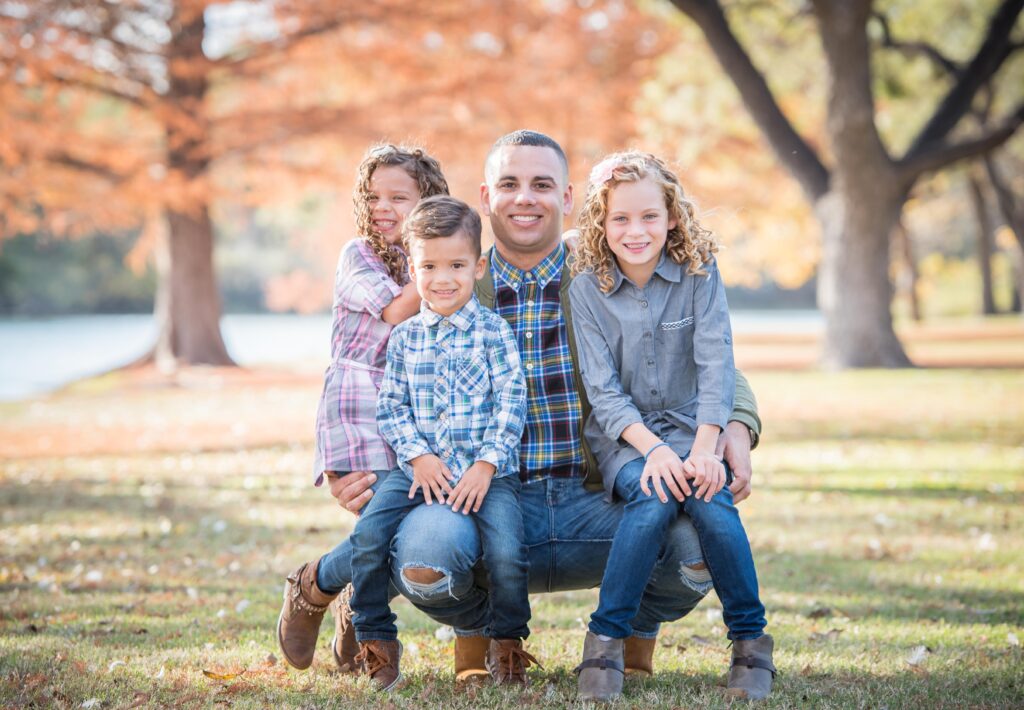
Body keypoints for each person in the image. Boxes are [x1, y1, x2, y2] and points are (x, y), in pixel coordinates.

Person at [287, 130, 762, 682]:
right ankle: (475, 634)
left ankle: (632, 635)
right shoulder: (455, 281)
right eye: (509, 184)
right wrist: (357, 465)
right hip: (487, 492)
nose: (525, 198)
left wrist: (737, 422)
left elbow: (696, 353)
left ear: (566, 200)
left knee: (694, 546)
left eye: (542, 185)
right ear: (486, 199)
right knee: (426, 558)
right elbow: (372, 370)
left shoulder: (604, 271)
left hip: (595, 495)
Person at [568, 151, 774, 701]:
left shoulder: (699, 272)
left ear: (673, 216)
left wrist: (707, 448)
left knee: (711, 499)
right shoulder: (586, 288)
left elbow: (716, 363)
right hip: (625, 439)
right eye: (620, 219)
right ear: (600, 223)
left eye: (649, 217)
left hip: (692, 426)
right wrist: (654, 452)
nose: (635, 232)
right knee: (655, 497)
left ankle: (751, 642)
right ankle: (606, 639)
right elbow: (603, 392)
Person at [348, 195, 536, 690]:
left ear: (476, 267)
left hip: (488, 474)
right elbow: (391, 408)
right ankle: (374, 639)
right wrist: (419, 456)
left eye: (456, 265)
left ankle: (508, 644)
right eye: (429, 266)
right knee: (367, 538)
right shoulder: (406, 338)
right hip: (418, 470)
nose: (443, 278)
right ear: (413, 269)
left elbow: (512, 402)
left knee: (508, 553)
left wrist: (487, 465)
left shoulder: (495, 333)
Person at [277, 144, 448, 672]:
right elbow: (398, 311)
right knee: (391, 515)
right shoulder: (360, 255)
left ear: (428, 201)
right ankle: (317, 588)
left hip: (412, 405)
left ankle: (349, 594)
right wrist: (449, 264)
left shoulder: (419, 259)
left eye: (399, 197)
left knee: (410, 517)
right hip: (359, 402)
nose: (383, 208)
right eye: (374, 196)